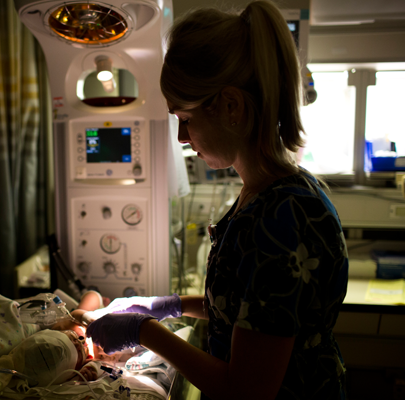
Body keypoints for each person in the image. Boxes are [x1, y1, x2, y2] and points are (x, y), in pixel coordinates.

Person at [86, 1, 349, 399]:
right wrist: (171, 305)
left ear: (231, 106)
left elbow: (246, 390)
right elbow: (255, 315)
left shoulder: (279, 220)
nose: (181, 138)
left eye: (186, 119)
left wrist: (143, 331)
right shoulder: (268, 195)